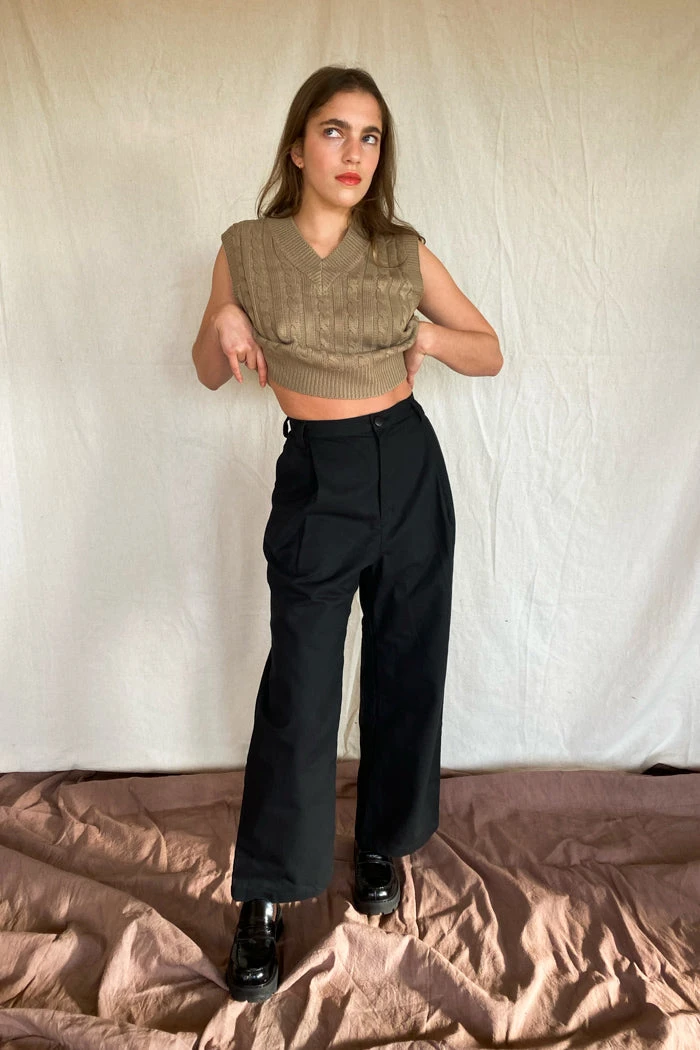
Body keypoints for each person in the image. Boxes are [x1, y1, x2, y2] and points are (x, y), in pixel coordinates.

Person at [192, 65, 502, 1003]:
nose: (354, 152)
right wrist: (225, 316)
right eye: (334, 131)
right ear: (298, 146)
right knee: (301, 687)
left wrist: (430, 339)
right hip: (318, 478)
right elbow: (207, 367)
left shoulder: (401, 251)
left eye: (370, 136)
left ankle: (379, 844)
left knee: (406, 665)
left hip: (407, 466)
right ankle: (265, 896)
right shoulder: (247, 247)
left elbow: (489, 349)